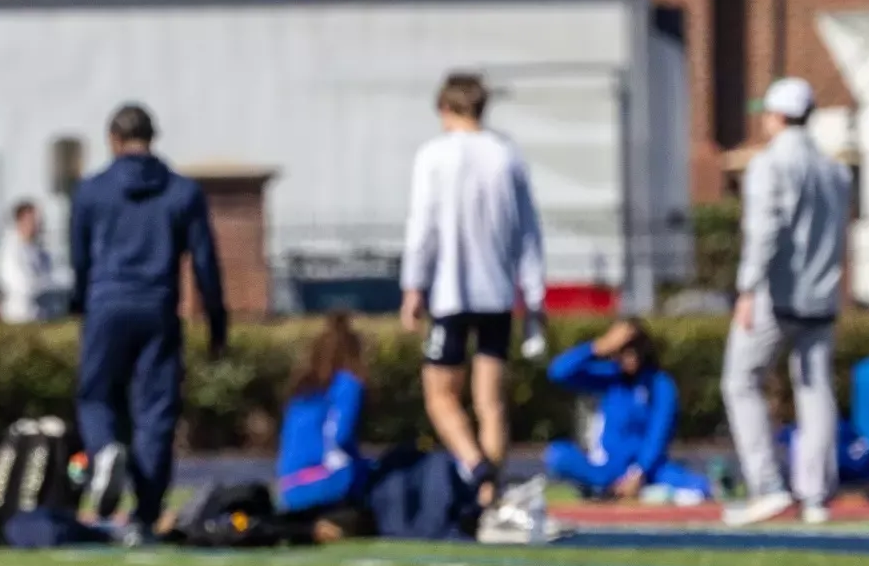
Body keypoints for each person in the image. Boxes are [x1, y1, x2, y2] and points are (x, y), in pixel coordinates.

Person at [70, 103, 226, 542]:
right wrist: (216, 321)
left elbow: (79, 259)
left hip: (106, 302)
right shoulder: (182, 191)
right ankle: (146, 513)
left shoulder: (91, 191)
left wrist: (80, 303)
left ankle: (104, 453)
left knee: (96, 396)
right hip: (158, 306)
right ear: (152, 137)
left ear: (113, 140)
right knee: (155, 411)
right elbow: (206, 263)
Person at [399, 72, 546, 506]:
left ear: (446, 109)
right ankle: (490, 495)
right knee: (490, 401)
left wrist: (413, 287)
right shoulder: (507, 155)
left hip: (451, 294)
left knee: (440, 397)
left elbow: (421, 226)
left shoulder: (435, 156)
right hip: (498, 295)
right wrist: (535, 297)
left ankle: (475, 466)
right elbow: (529, 232)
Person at [720, 76, 851, 527]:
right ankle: (815, 495)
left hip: (778, 296)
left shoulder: (769, 164)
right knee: (815, 392)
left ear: (775, 115)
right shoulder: (835, 170)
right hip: (821, 296)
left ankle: (768, 485)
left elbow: (765, 231)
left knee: (741, 381)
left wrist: (748, 287)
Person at [544, 320, 711, 501]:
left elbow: (659, 433)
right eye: (621, 350)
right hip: (608, 468)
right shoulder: (611, 378)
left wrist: (638, 473)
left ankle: (635, 491)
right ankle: (608, 488)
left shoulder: (659, 384)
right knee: (557, 455)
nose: (627, 356)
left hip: (648, 469)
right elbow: (558, 372)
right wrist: (599, 346)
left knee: (696, 486)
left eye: (632, 349)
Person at [275, 313, 367, 517]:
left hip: (287, 488)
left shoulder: (301, 389)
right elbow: (340, 436)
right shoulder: (347, 384)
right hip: (327, 483)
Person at [0, 200, 57, 324]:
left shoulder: (38, 250)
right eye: (32, 220)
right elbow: (19, 284)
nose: (37, 225)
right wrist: (45, 285)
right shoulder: (9, 249)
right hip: (17, 317)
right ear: (20, 220)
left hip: (40, 317)